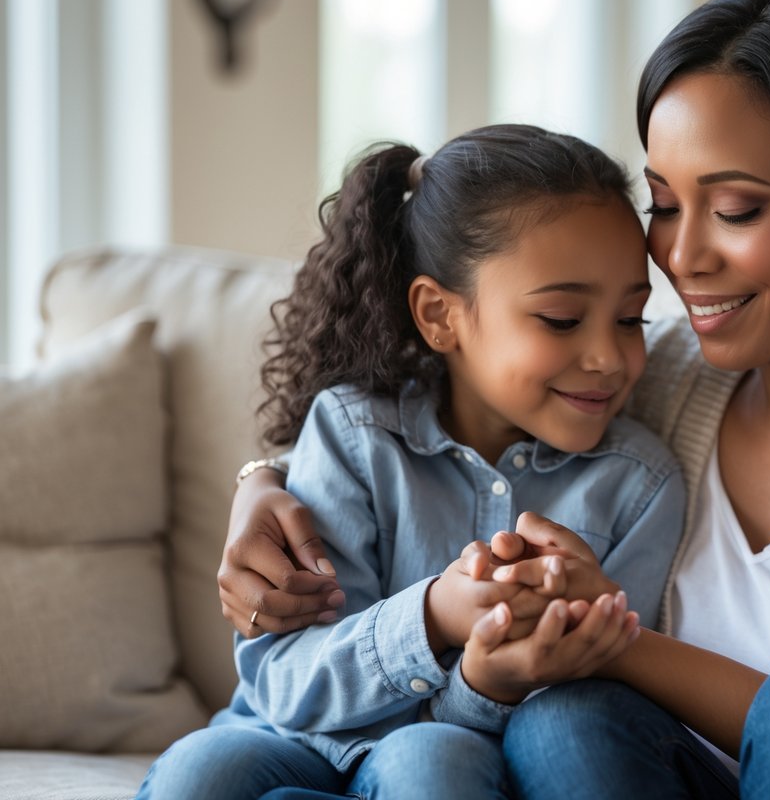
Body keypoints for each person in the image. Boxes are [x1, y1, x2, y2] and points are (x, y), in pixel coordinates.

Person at [219, 0, 770, 799]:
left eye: (735, 209)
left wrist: (622, 644)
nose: (680, 258)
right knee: (566, 721)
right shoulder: (657, 373)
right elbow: (456, 389)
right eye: (665, 205)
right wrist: (262, 482)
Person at [137, 125, 686, 799]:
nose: (609, 356)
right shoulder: (354, 432)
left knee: (429, 761)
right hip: (289, 741)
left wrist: (483, 682)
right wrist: (430, 615)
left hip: (460, 752)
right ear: (438, 315)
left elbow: (580, 715)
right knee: (203, 769)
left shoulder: (637, 484)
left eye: (631, 320)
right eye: (563, 319)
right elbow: (282, 681)